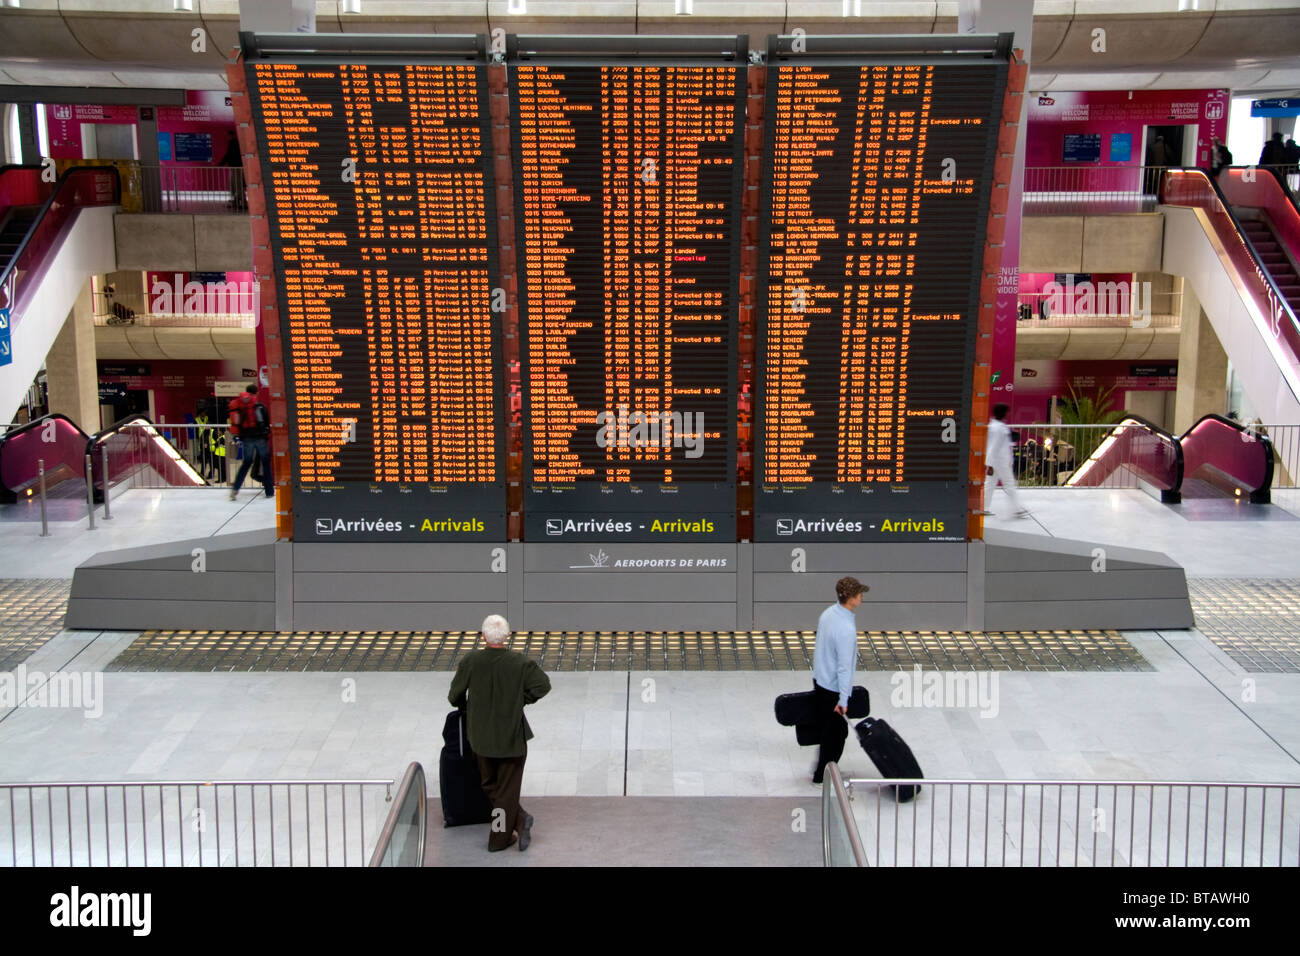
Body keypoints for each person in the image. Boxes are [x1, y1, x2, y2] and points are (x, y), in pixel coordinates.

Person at [448, 614, 551, 852]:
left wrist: (467, 706)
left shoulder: (471, 661)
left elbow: (454, 696)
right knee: (506, 791)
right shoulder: (520, 663)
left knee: (491, 787)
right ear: (507, 636)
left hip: (481, 737)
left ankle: (502, 836)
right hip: (512, 738)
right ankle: (515, 824)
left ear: (483, 636)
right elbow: (543, 685)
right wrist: (521, 701)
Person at [810, 576, 867, 786]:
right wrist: (843, 700)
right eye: (859, 593)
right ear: (850, 598)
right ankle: (824, 776)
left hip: (821, 681)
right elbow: (844, 667)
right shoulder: (845, 629)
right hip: (833, 689)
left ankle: (822, 772)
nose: (862, 596)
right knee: (836, 735)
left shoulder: (828, 614)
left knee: (829, 731)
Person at [977, 403, 1029, 518]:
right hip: (1000, 462)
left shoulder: (996, 426)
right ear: (1003, 413)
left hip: (997, 462)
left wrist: (989, 464)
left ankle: (983, 508)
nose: (1008, 413)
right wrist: (989, 464)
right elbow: (993, 447)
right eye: (1007, 411)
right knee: (1009, 484)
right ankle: (1017, 509)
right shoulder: (998, 428)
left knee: (990, 485)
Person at [227, 384, 273, 499]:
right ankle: (269, 492)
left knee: (246, 463)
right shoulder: (260, 406)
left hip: (247, 438)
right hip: (260, 438)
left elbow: (237, 423)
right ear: (256, 393)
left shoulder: (240, 406)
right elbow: (266, 422)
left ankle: (235, 490)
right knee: (266, 464)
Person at [218, 130, 244, 209]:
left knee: (236, 184)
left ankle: (241, 202)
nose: (228, 137)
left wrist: (221, 164)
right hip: (236, 167)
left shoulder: (233, 143)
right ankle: (237, 201)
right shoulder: (236, 143)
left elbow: (229, 155)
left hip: (236, 167)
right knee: (235, 184)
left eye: (228, 136)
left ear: (232, 136)